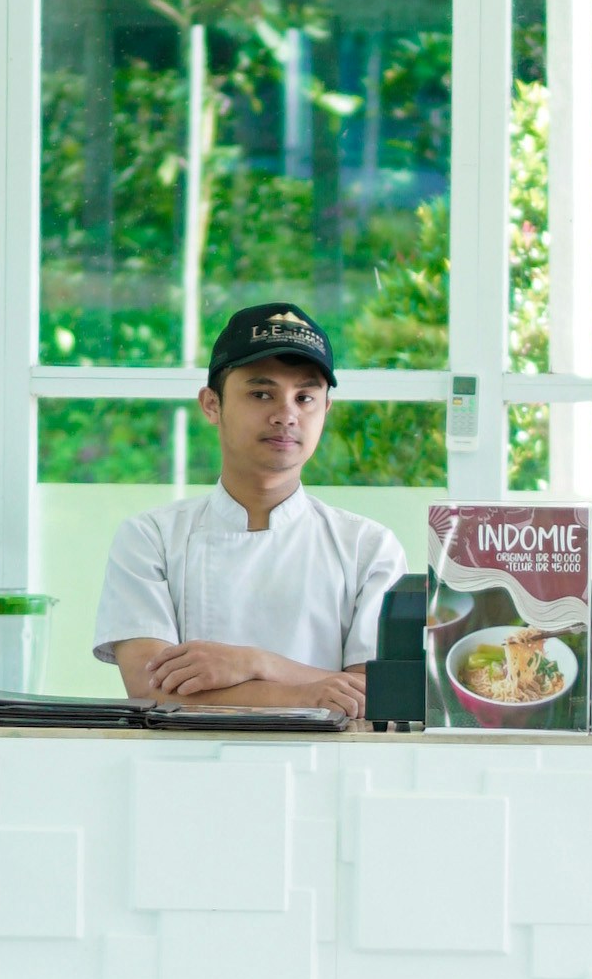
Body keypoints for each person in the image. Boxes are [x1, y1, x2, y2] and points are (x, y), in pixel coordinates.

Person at [94, 303, 403, 716]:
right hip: (184, 772)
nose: (286, 415)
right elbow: (150, 691)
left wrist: (251, 662)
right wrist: (305, 695)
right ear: (211, 405)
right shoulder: (151, 538)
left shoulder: (368, 547)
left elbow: (372, 693)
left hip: (330, 773)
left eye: (306, 397)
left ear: (325, 410)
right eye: (261, 394)